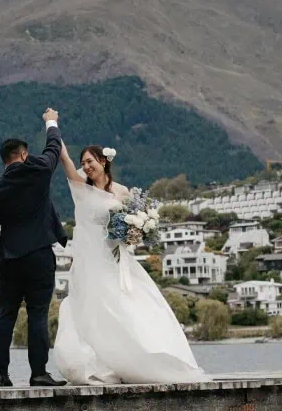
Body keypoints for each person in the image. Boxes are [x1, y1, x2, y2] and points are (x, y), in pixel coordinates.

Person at [53, 143, 208, 385]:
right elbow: (66, 162)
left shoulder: (122, 192)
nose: (86, 166)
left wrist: (136, 231)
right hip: (90, 259)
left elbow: (137, 218)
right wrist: (53, 128)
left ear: (103, 162)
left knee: (132, 304)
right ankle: (104, 361)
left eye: (90, 161)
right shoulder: (81, 187)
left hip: (116, 258)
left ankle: (144, 356)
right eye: (83, 163)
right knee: (95, 306)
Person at [0, 108, 69, 387]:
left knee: (6, 313)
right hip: (39, 254)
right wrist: (50, 121)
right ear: (21, 155)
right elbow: (53, 147)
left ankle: (0, 374)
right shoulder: (39, 171)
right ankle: (38, 373)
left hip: (8, 259)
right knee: (38, 314)